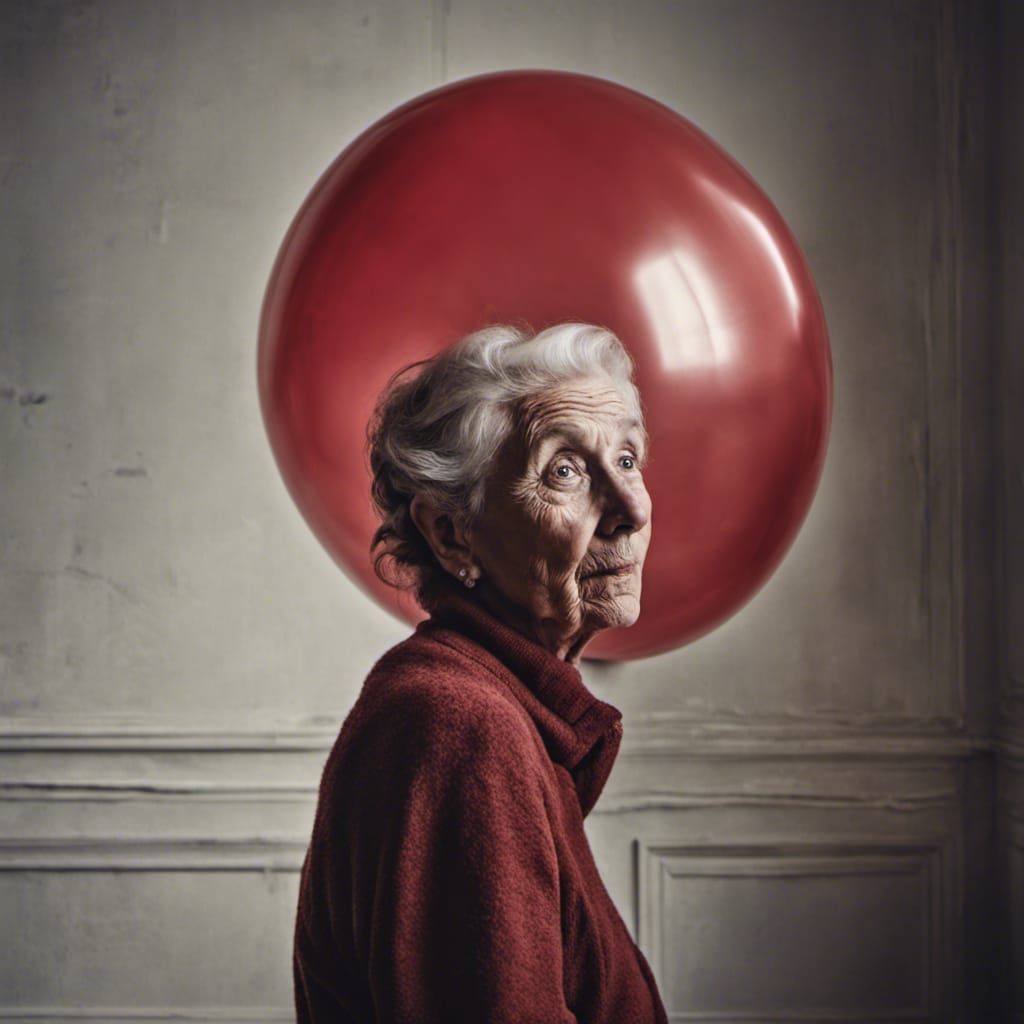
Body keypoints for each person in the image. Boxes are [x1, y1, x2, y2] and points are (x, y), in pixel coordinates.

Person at [293, 322, 667, 1023]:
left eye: (626, 458)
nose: (632, 509)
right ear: (450, 533)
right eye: (565, 470)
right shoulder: (461, 726)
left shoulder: (493, 707)